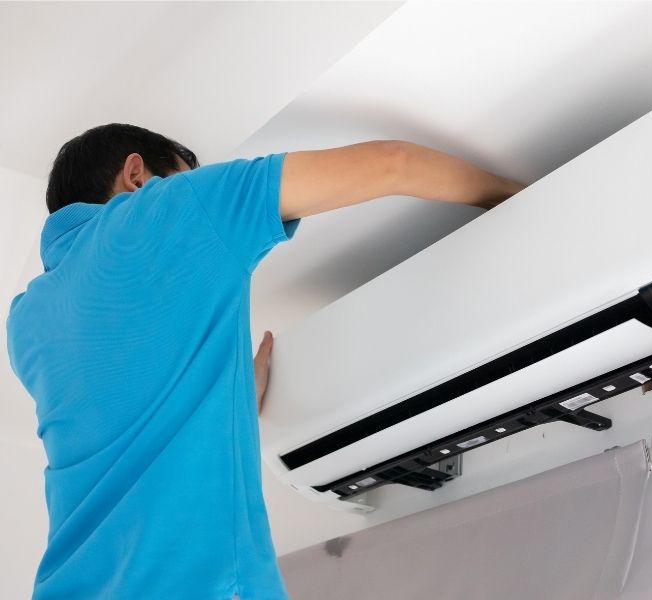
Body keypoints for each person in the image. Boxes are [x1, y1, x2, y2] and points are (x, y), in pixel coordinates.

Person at [6, 124, 524, 600]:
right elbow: (392, 162)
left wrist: (229, 392)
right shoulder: (174, 206)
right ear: (138, 175)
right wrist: (520, 197)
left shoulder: (25, 321)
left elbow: (118, 410)